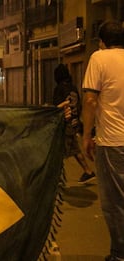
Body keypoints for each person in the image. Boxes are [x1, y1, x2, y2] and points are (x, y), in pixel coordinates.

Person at [82, 20, 124, 261]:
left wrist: (87, 135)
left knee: (114, 202)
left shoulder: (99, 58)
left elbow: (90, 100)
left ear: (102, 41)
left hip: (113, 141)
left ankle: (119, 254)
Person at [53, 63, 95, 184]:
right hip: (74, 122)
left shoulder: (59, 89)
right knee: (73, 149)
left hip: (65, 124)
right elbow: (79, 105)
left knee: (61, 150)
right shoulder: (73, 88)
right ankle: (87, 172)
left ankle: (56, 178)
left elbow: (57, 107)